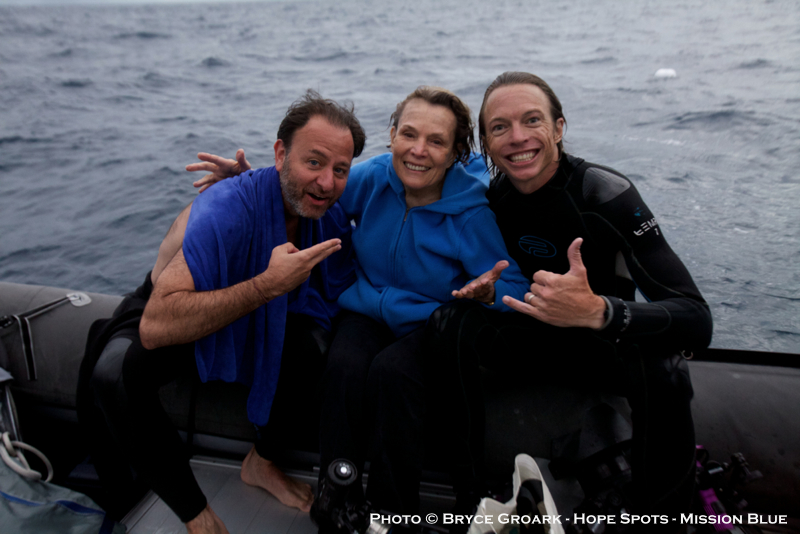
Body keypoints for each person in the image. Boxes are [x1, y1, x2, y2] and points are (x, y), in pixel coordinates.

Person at [193, 86, 531, 518]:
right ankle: (338, 495)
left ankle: (393, 512)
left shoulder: (470, 214)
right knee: (344, 366)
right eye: (409, 134)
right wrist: (252, 184)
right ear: (392, 135)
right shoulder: (372, 178)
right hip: (365, 308)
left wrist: (489, 292)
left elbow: (514, 285)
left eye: (436, 142)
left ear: (454, 153)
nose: (418, 151)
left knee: (393, 374)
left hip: (427, 322)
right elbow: (313, 191)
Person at [425, 72, 713, 524]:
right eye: (500, 127)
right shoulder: (490, 200)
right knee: (450, 320)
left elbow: (697, 318)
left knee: (665, 369)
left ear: (559, 127)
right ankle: (471, 499)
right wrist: (483, 293)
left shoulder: (604, 195)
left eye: (532, 120)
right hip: (532, 341)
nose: (518, 138)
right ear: (485, 142)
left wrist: (600, 311)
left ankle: (664, 518)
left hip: (604, 347)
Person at [76, 91, 366, 534]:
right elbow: (154, 327)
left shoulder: (322, 212)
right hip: (175, 308)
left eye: (340, 170)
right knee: (115, 373)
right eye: (314, 162)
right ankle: (196, 513)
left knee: (315, 343)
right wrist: (268, 284)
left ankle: (260, 462)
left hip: (255, 307)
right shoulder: (228, 208)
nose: (327, 182)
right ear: (280, 153)